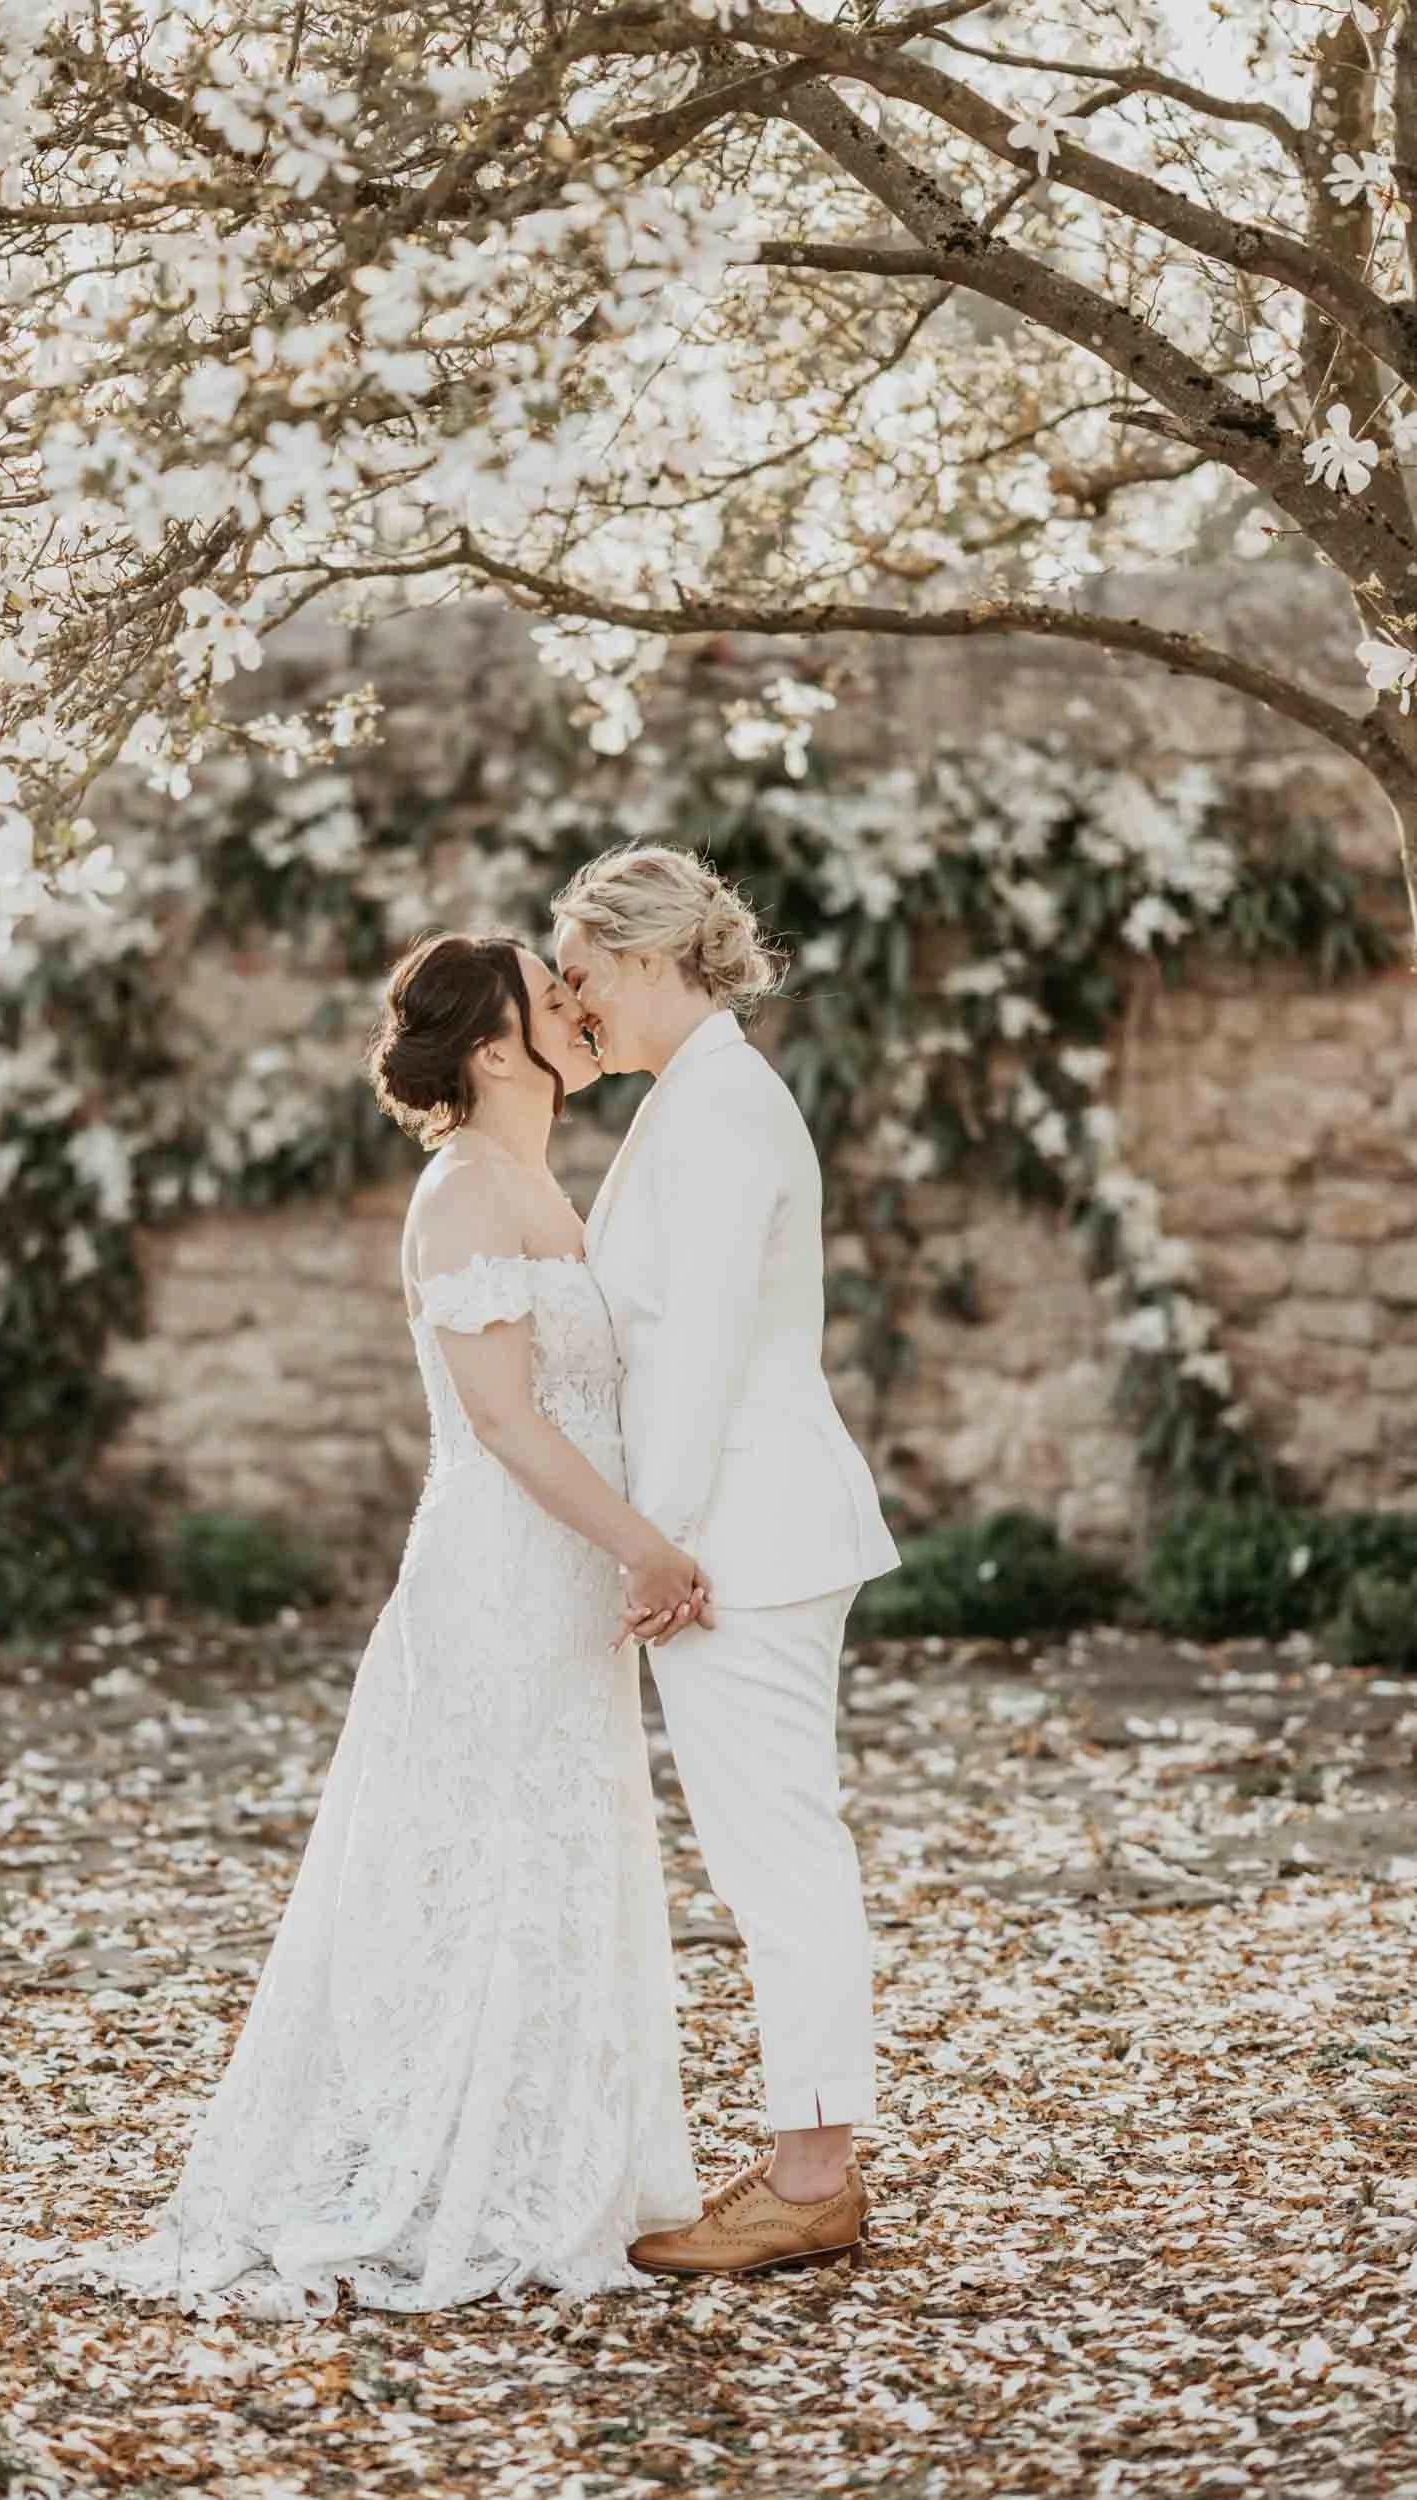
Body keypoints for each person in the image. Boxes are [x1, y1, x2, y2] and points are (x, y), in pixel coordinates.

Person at [52, 933, 706, 2315]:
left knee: (554, 1846)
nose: (577, 1006)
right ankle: (436, 2174)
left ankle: (539, 2158)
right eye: (551, 996)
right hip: (500, 1573)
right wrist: (645, 1545)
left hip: (563, 1576)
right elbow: (503, 1419)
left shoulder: (540, 1176)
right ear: (494, 1049)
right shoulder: (461, 1191)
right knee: (479, 1855)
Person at [554, 844, 901, 2279]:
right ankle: (809, 2160)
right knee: (775, 1848)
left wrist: (661, 1546)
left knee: (779, 1854)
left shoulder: (718, 1111)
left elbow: (695, 1351)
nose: (570, 1004)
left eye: (579, 974)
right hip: (742, 1525)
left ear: (644, 959)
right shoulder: (698, 1096)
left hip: (742, 1534)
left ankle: (813, 2177)